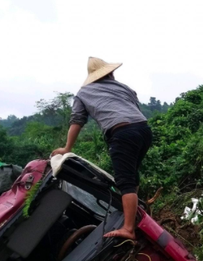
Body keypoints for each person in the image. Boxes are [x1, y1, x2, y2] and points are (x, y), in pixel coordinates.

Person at [52, 57, 153, 240]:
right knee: (131, 173)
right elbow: (134, 105)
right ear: (110, 72)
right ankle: (134, 213)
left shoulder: (83, 93)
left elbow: (77, 121)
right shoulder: (123, 87)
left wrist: (67, 148)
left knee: (125, 181)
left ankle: (128, 228)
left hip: (121, 133)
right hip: (143, 129)